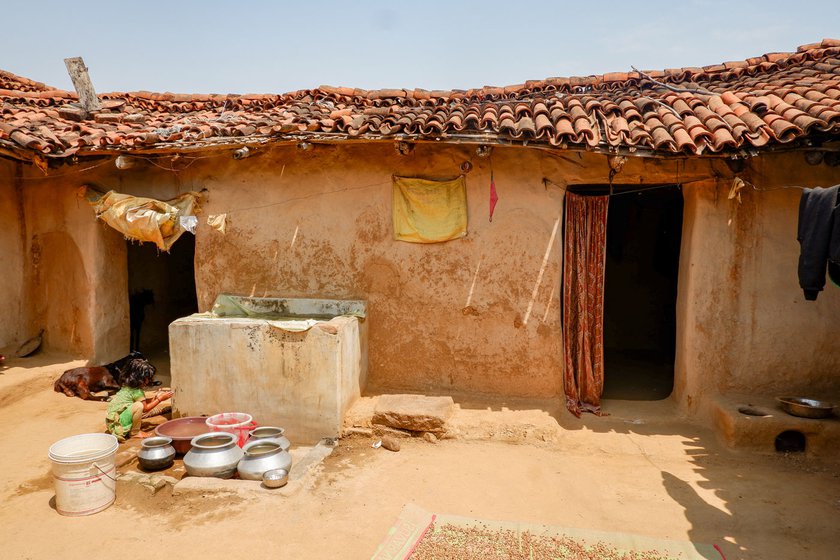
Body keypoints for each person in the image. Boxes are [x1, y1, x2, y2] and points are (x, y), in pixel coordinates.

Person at [105, 358, 172, 441]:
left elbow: (142, 401)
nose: (149, 380)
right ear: (141, 378)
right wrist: (159, 399)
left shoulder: (127, 387)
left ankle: (128, 427)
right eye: (148, 378)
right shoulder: (137, 391)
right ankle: (135, 432)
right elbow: (145, 408)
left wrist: (155, 398)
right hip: (118, 426)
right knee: (139, 406)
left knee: (138, 405)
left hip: (112, 423)